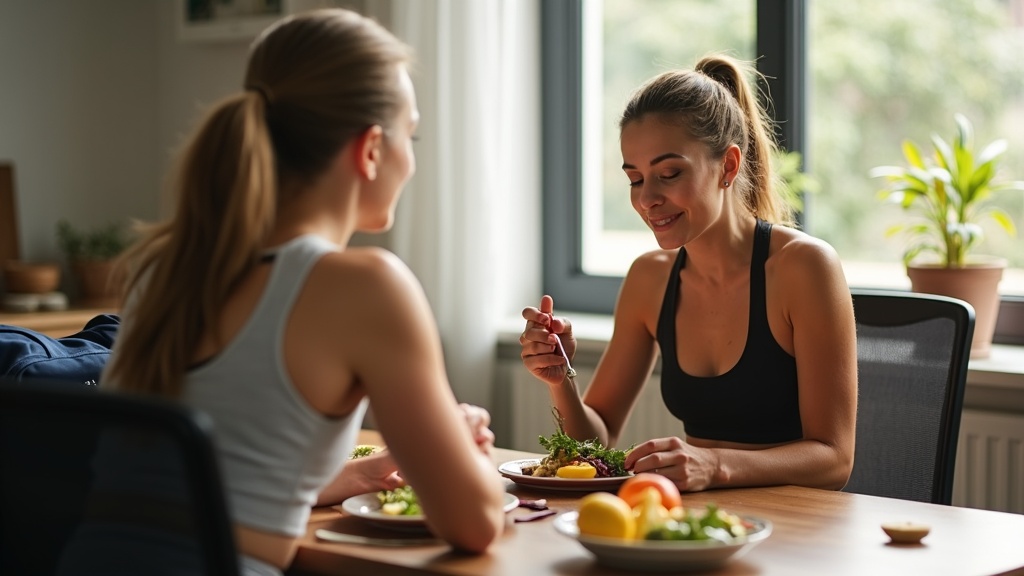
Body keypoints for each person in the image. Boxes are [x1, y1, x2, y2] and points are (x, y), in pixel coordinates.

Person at [97, 9, 506, 575]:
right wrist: (467, 454)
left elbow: (219, 480)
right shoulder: (366, 286)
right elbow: (475, 523)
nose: (411, 158)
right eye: (410, 135)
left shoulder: (166, 270)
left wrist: (362, 474)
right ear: (369, 150)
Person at [520, 54, 857, 493]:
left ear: (729, 167)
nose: (647, 199)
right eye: (636, 179)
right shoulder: (649, 278)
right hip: (698, 526)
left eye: (669, 173)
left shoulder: (803, 268)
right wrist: (559, 377)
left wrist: (714, 465)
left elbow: (834, 459)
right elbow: (594, 442)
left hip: (797, 530)